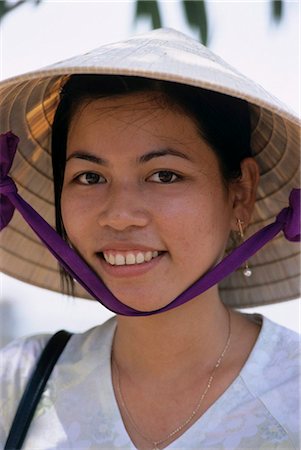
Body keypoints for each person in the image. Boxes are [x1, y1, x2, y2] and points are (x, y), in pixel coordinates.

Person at [0, 28, 299, 449]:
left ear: (240, 192)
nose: (120, 216)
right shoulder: (17, 383)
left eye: (164, 175)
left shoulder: (293, 394)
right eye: (90, 176)